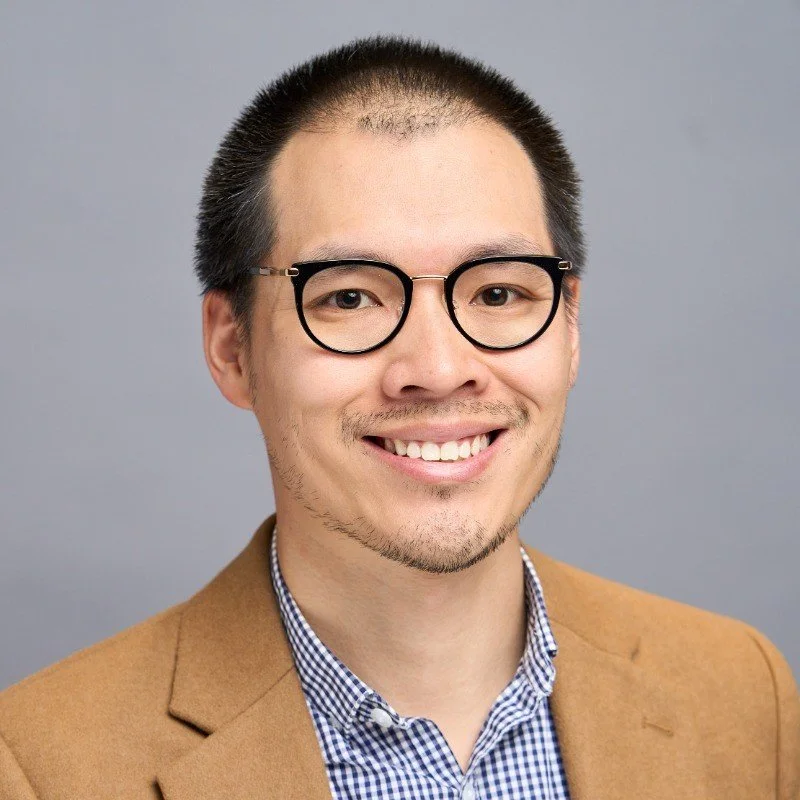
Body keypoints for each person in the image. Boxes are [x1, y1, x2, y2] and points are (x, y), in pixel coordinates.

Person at [1, 35, 797, 800]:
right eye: (349, 297)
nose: (439, 369)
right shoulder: (38, 767)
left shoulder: (741, 693)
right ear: (233, 348)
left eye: (497, 293)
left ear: (570, 326)